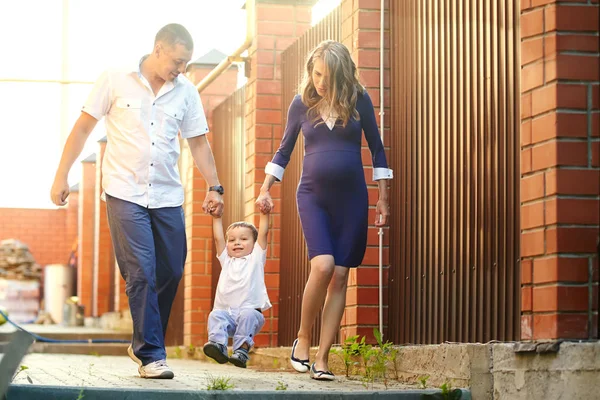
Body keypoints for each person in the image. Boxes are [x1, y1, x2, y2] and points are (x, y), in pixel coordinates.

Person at [50, 23, 225, 379]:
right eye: (178, 60)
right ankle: (151, 355)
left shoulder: (186, 92)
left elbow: (198, 143)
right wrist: (61, 175)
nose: (182, 69)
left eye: (188, 63)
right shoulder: (115, 79)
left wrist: (215, 187)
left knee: (173, 269)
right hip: (124, 192)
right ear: (158, 49)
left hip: (166, 194)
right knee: (140, 272)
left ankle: (142, 338)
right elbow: (83, 128)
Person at [255, 40, 392, 381]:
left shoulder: (360, 100)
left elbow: (377, 151)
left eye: (328, 76)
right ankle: (303, 337)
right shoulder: (302, 104)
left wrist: (383, 199)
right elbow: (284, 150)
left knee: (342, 274)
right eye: (316, 73)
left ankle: (324, 358)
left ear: (342, 75)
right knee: (324, 264)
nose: (320, 82)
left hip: (352, 199)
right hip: (313, 195)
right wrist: (265, 188)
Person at [202, 207, 272, 369]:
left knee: (247, 314)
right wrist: (217, 218)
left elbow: (263, 234)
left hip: (250, 314)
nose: (237, 243)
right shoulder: (226, 260)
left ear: (254, 244)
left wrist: (264, 213)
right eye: (232, 240)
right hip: (228, 315)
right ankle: (218, 346)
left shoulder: (255, 259)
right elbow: (218, 239)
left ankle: (241, 351)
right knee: (215, 314)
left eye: (243, 239)